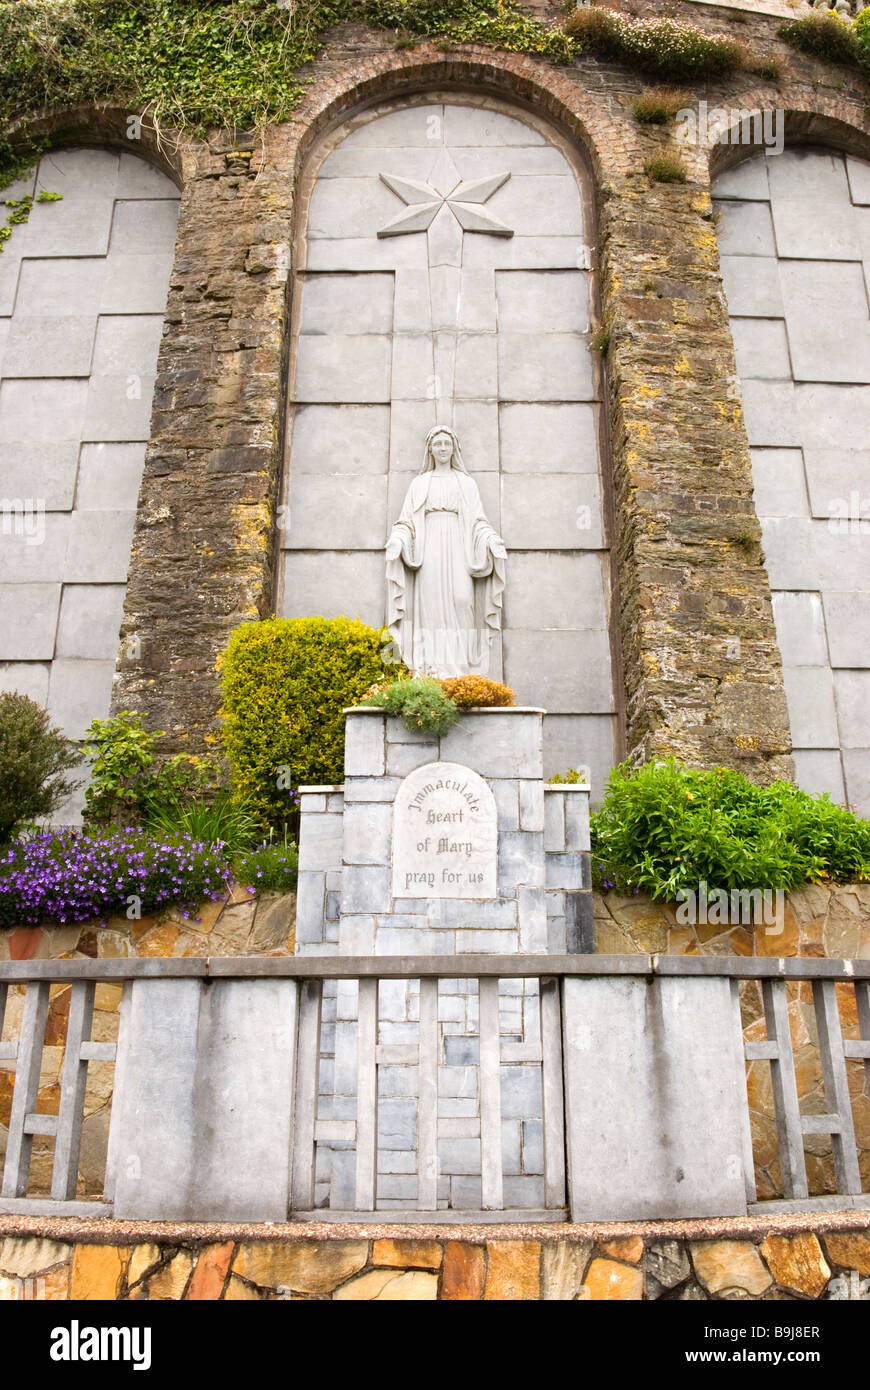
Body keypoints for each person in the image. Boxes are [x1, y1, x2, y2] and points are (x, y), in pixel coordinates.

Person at [386, 426, 506, 676]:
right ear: (430, 448)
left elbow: (478, 522)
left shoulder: (466, 483)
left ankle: (460, 669)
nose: (442, 448)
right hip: (428, 547)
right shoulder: (419, 484)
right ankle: (430, 669)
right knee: (429, 606)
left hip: (459, 547)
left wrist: (491, 540)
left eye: (446, 444)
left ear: (454, 449)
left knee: (463, 599)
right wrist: (398, 540)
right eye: (438, 444)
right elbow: (406, 522)